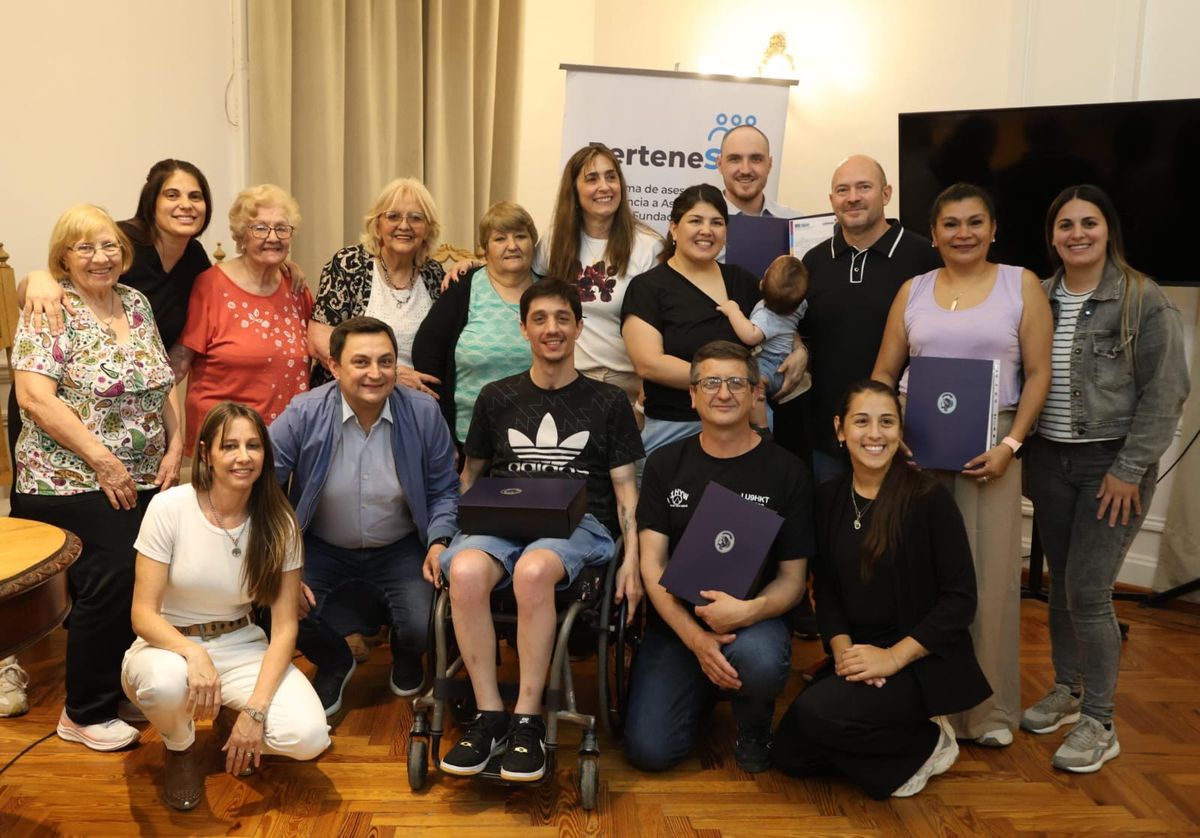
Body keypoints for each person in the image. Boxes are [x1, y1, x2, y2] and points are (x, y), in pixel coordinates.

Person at [429, 281, 643, 783]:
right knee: (464, 570)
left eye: (563, 318)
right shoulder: (496, 396)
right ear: (523, 328)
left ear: (579, 327)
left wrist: (631, 560)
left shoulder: (608, 400)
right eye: (540, 319)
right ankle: (490, 717)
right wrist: (446, 538)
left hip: (580, 525)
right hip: (502, 520)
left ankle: (527, 720)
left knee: (533, 570)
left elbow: (626, 490)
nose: (552, 329)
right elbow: (469, 479)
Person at [872, 182, 1052, 746]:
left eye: (975, 222)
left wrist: (1011, 445)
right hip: (916, 449)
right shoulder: (913, 290)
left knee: (988, 577)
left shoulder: (1020, 284)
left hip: (992, 448)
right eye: (950, 224)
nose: (963, 233)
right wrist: (888, 433)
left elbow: (1039, 374)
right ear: (934, 234)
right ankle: (927, 707)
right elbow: (884, 372)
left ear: (994, 229)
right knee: (918, 575)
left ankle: (986, 713)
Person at [1020, 185, 1189, 772]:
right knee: (1064, 586)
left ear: (1108, 229)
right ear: (1052, 237)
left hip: (1111, 469)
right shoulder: (1039, 295)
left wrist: (1128, 469)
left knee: (1090, 592)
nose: (1077, 234)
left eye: (1088, 223)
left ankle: (1100, 720)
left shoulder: (1144, 298)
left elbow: (1166, 394)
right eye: (1065, 225)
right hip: (1049, 462)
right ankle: (1067, 690)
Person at [12, 204, 180, 750]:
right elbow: (34, 398)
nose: (100, 257)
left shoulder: (136, 303)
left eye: (109, 245)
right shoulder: (50, 308)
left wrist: (177, 443)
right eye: (84, 247)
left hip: (143, 473)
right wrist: (102, 459)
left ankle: (120, 686)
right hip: (67, 479)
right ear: (63, 257)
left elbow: (163, 381)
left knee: (153, 573)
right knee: (116, 573)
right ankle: (83, 712)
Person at [772, 380, 991, 798]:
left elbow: (960, 601)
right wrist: (843, 654)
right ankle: (888, 737)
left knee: (817, 716)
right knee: (790, 755)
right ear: (840, 429)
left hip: (919, 658)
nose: (875, 434)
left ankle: (928, 742)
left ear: (900, 431)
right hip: (859, 652)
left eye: (887, 422)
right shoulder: (828, 497)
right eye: (862, 422)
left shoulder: (929, 499)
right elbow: (827, 590)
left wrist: (891, 658)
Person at [122, 402, 330, 811]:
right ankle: (180, 747)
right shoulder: (169, 508)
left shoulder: (280, 521)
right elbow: (142, 614)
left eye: (254, 445)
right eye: (230, 446)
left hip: (241, 643)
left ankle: (233, 715)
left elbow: (285, 628)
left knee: (308, 738)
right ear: (206, 454)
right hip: (168, 645)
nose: (243, 457)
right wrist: (193, 653)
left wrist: (254, 712)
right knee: (164, 687)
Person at [623, 341, 812, 773]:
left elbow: (793, 580)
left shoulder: (787, 472)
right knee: (650, 752)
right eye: (710, 383)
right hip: (678, 624)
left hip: (753, 622)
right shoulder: (665, 464)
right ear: (693, 395)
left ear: (755, 392)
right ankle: (704, 684)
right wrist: (696, 639)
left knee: (760, 661)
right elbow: (652, 566)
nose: (723, 393)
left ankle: (754, 722)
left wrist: (748, 612)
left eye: (735, 383)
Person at [269, 316, 459, 715]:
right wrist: (281, 562)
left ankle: (407, 653)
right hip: (321, 546)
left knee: (423, 622)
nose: (375, 373)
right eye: (361, 362)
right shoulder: (304, 412)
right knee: (282, 604)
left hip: (401, 546)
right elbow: (263, 484)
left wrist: (439, 541)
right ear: (334, 366)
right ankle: (335, 661)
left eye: (385, 361)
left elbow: (444, 489)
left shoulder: (424, 413)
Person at [12, 160, 217, 490]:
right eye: (172, 195)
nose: (186, 205)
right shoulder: (119, 241)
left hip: (135, 413)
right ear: (151, 200)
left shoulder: (194, 257)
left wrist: (282, 267)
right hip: (64, 409)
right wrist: (36, 278)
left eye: (196, 196)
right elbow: (51, 286)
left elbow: (224, 287)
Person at [800, 155, 941, 484]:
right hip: (828, 440)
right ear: (832, 200)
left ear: (886, 194)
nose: (852, 197)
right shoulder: (814, 261)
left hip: (903, 439)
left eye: (864, 187)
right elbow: (802, 334)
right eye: (842, 190)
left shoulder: (925, 258)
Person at [621, 185, 779, 456]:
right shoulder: (648, 287)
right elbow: (649, 364)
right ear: (673, 228)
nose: (707, 230)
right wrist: (727, 383)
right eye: (695, 221)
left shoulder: (742, 281)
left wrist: (799, 351)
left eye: (716, 223)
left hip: (743, 427)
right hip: (674, 428)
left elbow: (777, 327)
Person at [171, 184, 313, 455]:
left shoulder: (296, 288)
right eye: (260, 228)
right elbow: (178, 365)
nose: (272, 237)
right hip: (225, 443)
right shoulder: (211, 286)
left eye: (281, 228)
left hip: (284, 443)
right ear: (241, 236)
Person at [537, 144, 662, 412]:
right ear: (574, 190)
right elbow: (517, 281)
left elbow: (664, 331)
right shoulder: (553, 243)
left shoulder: (648, 247)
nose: (604, 187)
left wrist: (641, 405)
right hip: (566, 382)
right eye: (592, 179)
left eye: (611, 177)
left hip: (628, 386)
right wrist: (471, 265)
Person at [412, 201, 541, 445]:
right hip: (467, 438)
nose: (512, 246)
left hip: (537, 439)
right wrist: (443, 432)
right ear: (485, 248)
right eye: (500, 239)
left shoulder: (548, 292)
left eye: (521, 236)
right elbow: (428, 356)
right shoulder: (462, 288)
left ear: (533, 242)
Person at [308, 178, 446, 392]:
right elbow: (319, 339)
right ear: (377, 224)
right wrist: (391, 374)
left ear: (428, 228)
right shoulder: (349, 264)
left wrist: (471, 264)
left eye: (416, 218)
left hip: (416, 399)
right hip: (352, 395)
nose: (404, 226)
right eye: (393, 216)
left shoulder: (434, 274)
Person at [718, 254, 811, 429]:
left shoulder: (767, 316)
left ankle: (763, 429)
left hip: (771, 364)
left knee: (754, 386)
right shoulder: (800, 305)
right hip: (782, 363)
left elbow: (750, 336)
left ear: (761, 284)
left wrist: (733, 311)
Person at [716, 124, 799, 218]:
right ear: (720, 165)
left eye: (756, 159)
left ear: (769, 165)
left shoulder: (793, 221)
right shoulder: (703, 222)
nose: (745, 170)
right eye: (735, 159)